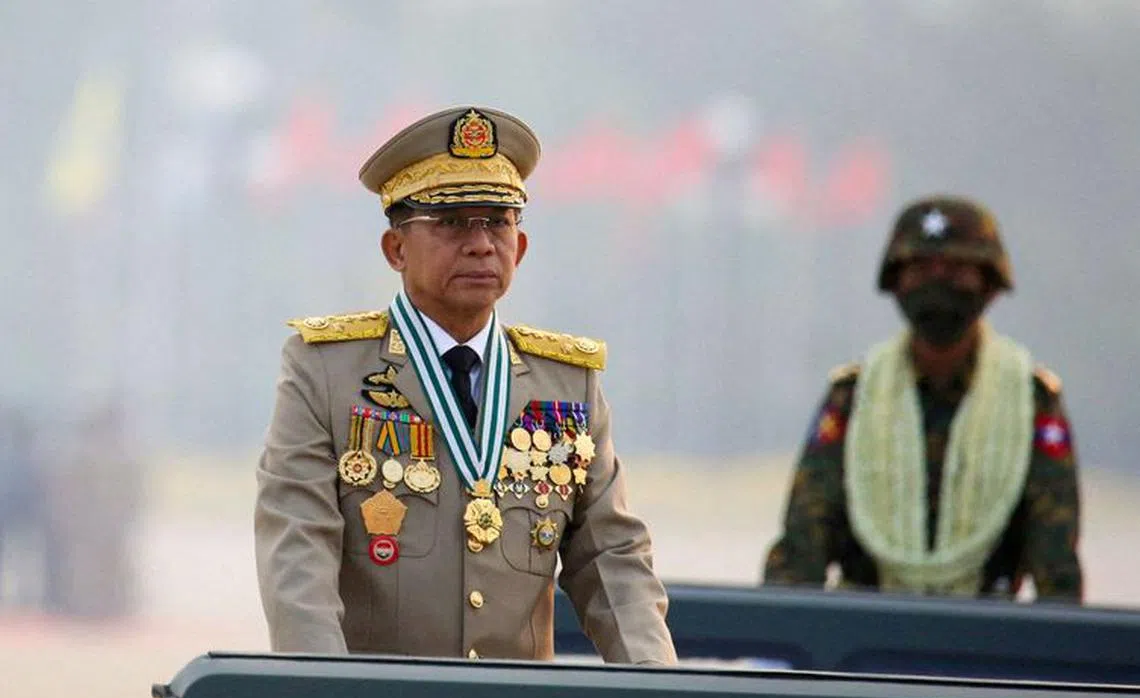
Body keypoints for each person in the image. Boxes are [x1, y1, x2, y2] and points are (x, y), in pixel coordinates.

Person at [255, 105, 677, 663]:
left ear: (520, 249)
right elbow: (298, 552)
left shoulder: (567, 381)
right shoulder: (327, 371)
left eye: (498, 222)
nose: (481, 244)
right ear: (396, 250)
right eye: (452, 222)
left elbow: (611, 558)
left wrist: (655, 695)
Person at [763, 195, 1082, 601]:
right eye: (922, 270)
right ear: (896, 282)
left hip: (987, 640)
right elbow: (802, 547)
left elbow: (1056, 564)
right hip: (860, 641)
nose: (938, 283)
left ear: (989, 284)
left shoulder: (1030, 403)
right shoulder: (855, 398)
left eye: (956, 271)